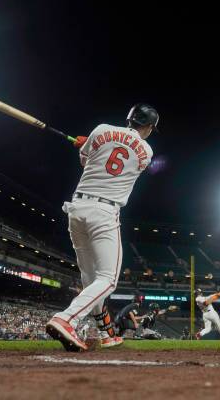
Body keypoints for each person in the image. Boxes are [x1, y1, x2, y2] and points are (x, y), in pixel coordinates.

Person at [46, 104, 158, 351]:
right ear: (149, 127)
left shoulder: (101, 130)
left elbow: (87, 162)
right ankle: (66, 319)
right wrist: (92, 148)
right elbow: (120, 164)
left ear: (129, 118)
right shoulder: (147, 151)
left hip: (76, 209)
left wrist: (85, 145)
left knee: (91, 281)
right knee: (107, 280)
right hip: (104, 212)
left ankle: (106, 334)